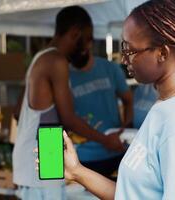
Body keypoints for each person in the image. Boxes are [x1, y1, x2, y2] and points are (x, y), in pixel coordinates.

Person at [52, 0, 175, 199]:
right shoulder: (167, 106)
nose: (124, 59)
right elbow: (130, 195)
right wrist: (76, 171)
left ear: (162, 53)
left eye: (130, 50)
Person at [13, 6, 126, 200]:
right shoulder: (57, 60)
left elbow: (17, 112)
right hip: (44, 155)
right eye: (87, 39)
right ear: (75, 33)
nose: (87, 47)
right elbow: (69, 118)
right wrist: (106, 140)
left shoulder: (40, 57)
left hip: (31, 157)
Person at [67, 6, 133, 178]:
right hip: (83, 157)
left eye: (83, 47)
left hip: (116, 153)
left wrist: (126, 128)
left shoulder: (109, 68)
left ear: (90, 42)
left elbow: (128, 99)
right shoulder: (64, 75)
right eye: (75, 50)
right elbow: (68, 119)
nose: (80, 52)